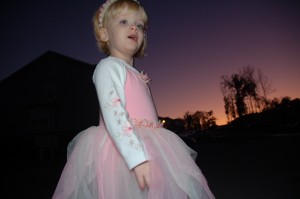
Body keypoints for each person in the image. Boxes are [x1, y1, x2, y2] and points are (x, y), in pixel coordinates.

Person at [53, 0, 215, 198]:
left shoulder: (135, 73)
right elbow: (114, 113)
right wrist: (136, 158)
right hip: (122, 151)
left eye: (140, 25)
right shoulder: (108, 67)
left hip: (153, 148)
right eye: (123, 22)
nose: (133, 27)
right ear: (105, 34)